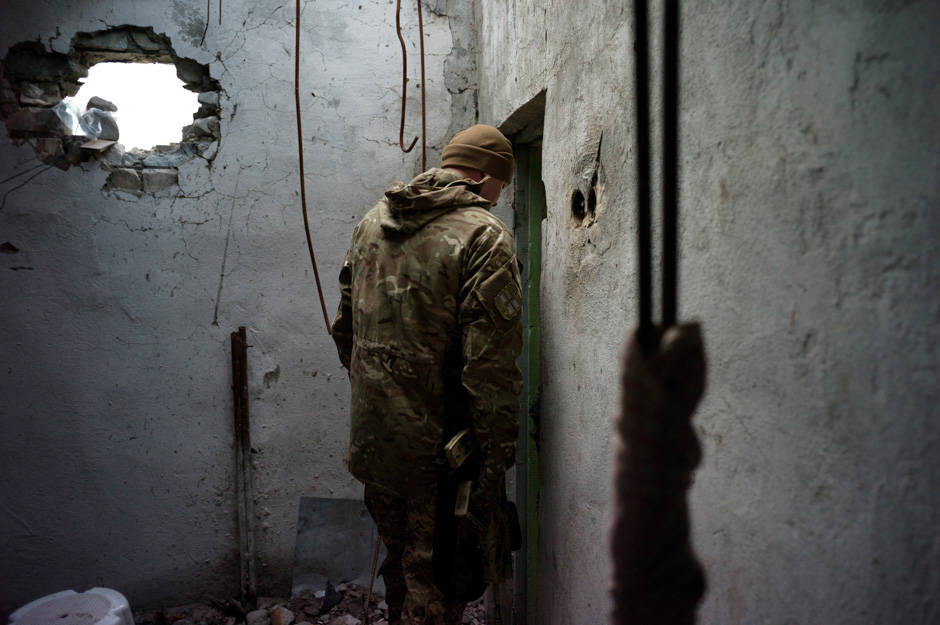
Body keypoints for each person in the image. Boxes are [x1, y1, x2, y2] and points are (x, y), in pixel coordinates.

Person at [331, 125, 523, 625]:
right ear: (486, 175)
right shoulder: (484, 235)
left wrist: (384, 395)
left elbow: (345, 332)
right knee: (438, 587)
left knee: (402, 570)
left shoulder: (373, 221)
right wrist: (496, 460)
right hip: (441, 460)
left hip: (375, 444)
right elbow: (490, 371)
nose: (501, 195)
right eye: (503, 182)